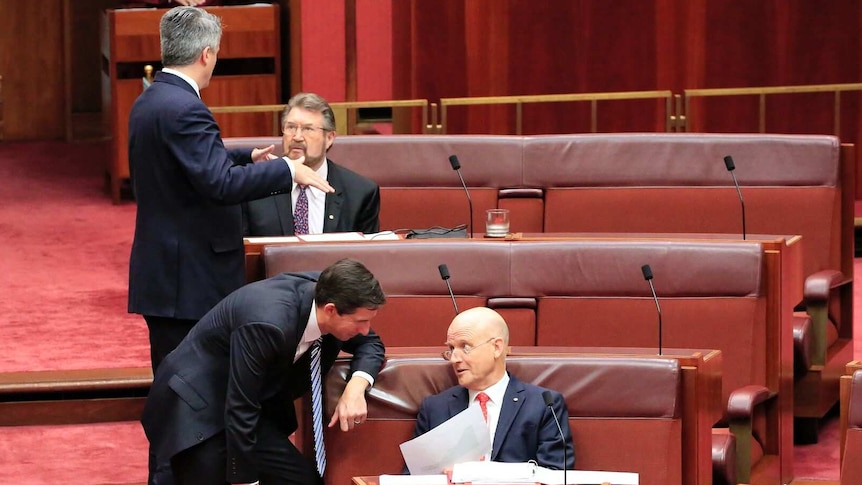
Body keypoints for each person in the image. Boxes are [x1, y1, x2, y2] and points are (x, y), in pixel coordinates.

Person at [127, 7, 333, 375]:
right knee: (191, 390)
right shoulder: (187, 109)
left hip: (167, 272)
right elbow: (219, 184)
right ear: (206, 54)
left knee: (177, 386)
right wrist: (286, 169)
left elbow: (184, 164)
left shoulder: (152, 99)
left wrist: (242, 155)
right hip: (188, 278)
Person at [141, 258, 386, 485]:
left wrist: (356, 388)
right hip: (196, 406)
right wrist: (246, 480)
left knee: (302, 480)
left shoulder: (333, 299)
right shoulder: (268, 322)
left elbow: (372, 343)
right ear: (331, 310)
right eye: (360, 322)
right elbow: (240, 406)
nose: (365, 329)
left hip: (244, 407)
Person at [411, 307, 575, 470]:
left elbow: (556, 474)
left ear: (497, 347)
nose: (454, 358)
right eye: (451, 349)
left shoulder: (543, 406)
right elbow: (412, 477)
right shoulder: (434, 408)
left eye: (465, 347)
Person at [242, 92, 380, 237]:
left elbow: (366, 255)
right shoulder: (256, 187)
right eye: (291, 127)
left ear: (329, 138)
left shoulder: (360, 193)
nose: (297, 137)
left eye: (308, 129)